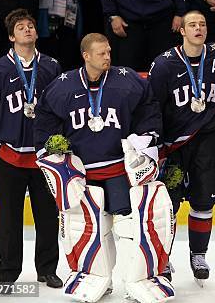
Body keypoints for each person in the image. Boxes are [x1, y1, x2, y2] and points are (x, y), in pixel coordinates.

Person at [33, 33, 174, 303]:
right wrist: (54, 150)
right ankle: (98, 279)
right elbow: (45, 118)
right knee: (92, 228)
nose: (107, 57)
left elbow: (148, 109)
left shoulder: (127, 80)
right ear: (86, 56)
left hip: (118, 170)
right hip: (82, 174)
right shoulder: (63, 87)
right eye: (101, 53)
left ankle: (138, 279)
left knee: (130, 227)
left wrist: (144, 140)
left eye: (109, 52)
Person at [148, 10, 215, 284]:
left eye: (202, 24)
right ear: (182, 30)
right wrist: (154, 145)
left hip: (209, 138)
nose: (198, 28)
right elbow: (152, 105)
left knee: (204, 200)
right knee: (168, 203)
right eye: (192, 24)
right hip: (175, 144)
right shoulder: (165, 64)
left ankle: (198, 255)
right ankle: (163, 258)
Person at [0, 9, 62, 292]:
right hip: (10, 156)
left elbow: (60, 110)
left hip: (43, 157)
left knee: (48, 215)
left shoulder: (51, 67)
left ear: (36, 33)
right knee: (10, 217)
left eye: (30, 26)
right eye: (21, 27)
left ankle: (47, 269)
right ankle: (9, 272)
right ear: (12, 36)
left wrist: (59, 146)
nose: (27, 30)